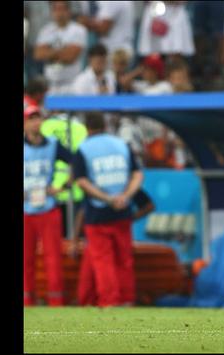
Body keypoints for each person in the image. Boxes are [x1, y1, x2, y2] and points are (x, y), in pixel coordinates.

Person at [73, 112, 144, 307]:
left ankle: (110, 300)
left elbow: (82, 182)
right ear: (105, 125)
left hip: (98, 212)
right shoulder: (121, 145)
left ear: (86, 127)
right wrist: (125, 196)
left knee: (103, 261)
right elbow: (137, 174)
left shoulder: (84, 149)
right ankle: (127, 299)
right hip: (123, 210)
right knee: (124, 259)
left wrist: (107, 198)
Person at [24, 106, 74, 306]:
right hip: (25, 209)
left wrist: (62, 186)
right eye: (32, 119)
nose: (36, 122)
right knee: (25, 259)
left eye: (39, 118)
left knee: (53, 258)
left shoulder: (53, 144)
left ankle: (56, 302)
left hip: (48, 208)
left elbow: (76, 162)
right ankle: (27, 302)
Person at [74, 189, 155, 306]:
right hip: (96, 233)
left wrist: (129, 218)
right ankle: (110, 302)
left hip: (112, 231)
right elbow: (83, 211)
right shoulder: (96, 184)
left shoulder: (125, 184)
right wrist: (75, 239)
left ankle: (115, 302)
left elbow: (149, 206)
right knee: (90, 282)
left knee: (115, 268)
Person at [34, 1, 88, 95]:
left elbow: (70, 57)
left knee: (71, 108)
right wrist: (63, 50)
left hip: (72, 82)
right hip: (50, 83)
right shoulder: (46, 30)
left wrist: (49, 50)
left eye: (63, 9)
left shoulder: (78, 30)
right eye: (56, 10)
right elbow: (38, 54)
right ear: (52, 12)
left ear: (69, 11)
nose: (60, 13)